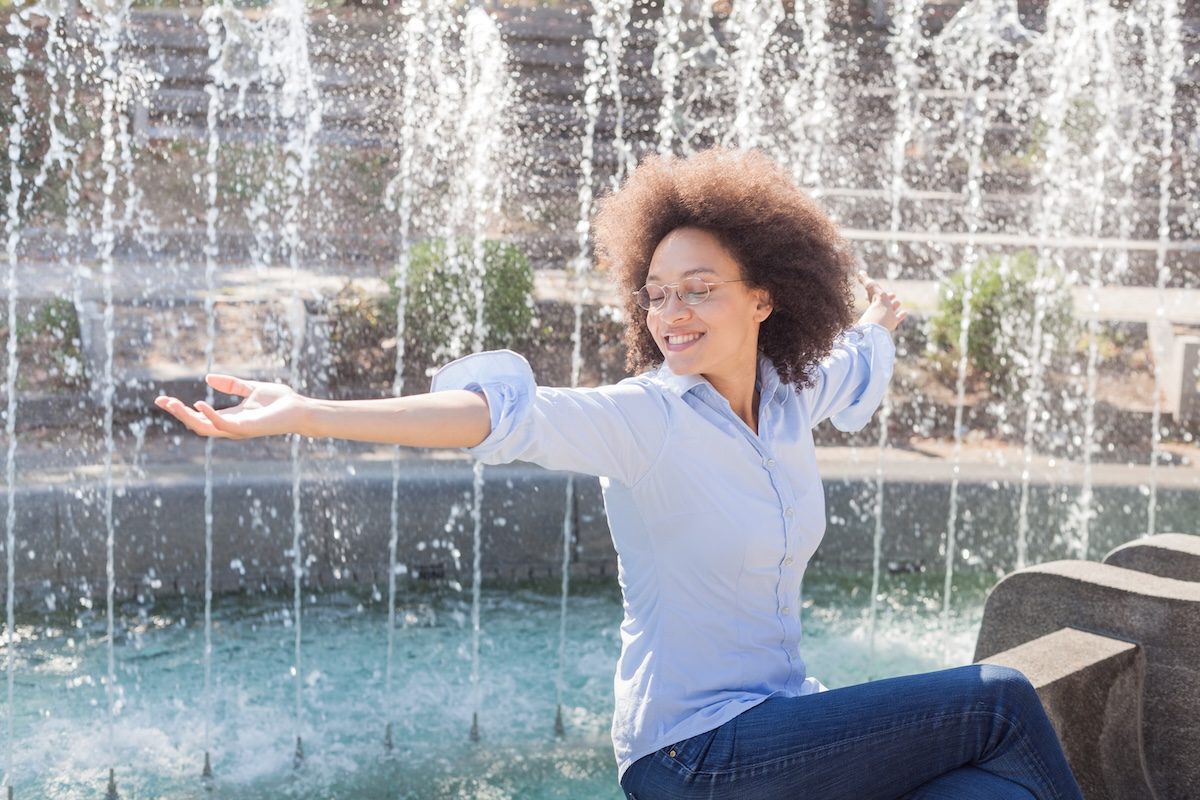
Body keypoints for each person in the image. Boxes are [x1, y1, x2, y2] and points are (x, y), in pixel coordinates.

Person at [156, 148, 1083, 800]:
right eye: (656, 292)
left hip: (782, 726)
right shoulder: (645, 418)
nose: (670, 313)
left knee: (980, 794)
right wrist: (313, 413)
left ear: (766, 299)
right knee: (998, 701)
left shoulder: (791, 393)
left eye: (699, 289)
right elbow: (501, 417)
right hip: (692, 759)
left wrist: (878, 319)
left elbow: (854, 359)